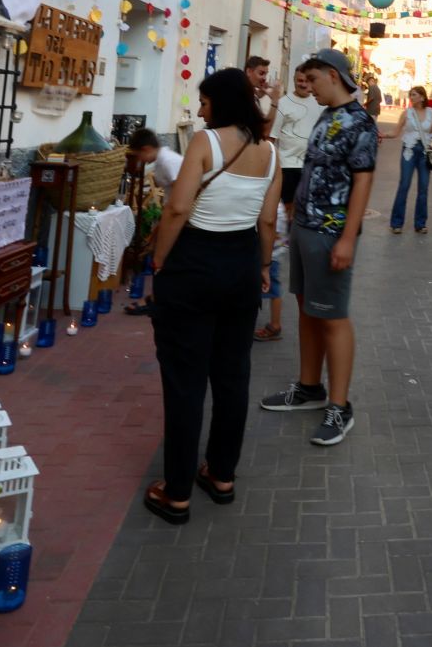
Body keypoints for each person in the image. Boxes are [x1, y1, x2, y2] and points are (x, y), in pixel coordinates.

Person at [143, 68, 280, 524]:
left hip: (195, 266)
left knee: (185, 380)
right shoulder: (270, 152)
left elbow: (178, 208)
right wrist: (263, 266)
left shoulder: (205, 142)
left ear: (220, 101)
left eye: (204, 102)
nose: (200, 111)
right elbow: (267, 221)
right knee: (232, 375)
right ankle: (221, 474)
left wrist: (159, 260)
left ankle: (177, 491)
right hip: (242, 266)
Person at [261, 48, 376, 447]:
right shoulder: (327, 115)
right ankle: (309, 387)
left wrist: (347, 238)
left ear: (333, 75)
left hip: (331, 233)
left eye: (313, 80)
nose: (308, 88)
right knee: (308, 309)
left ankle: (340, 406)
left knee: (333, 316)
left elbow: (362, 182)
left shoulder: (361, 122)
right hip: (305, 228)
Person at [260, 65, 320, 343]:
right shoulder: (284, 103)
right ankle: (285, 242)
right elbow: (272, 137)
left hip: (309, 164)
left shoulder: (318, 103)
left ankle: (293, 242)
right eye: (299, 80)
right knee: (286, 209)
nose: (303, 84)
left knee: (300, 209)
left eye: (307, 80)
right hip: (287, 165)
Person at [123, 128, 183, 317]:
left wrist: (165, 224)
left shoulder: (168, 161)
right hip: (172, 214)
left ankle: (159, 300)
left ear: (146, 149)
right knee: (162, 257)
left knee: (164, 259)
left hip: (180, 216)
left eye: (138, 155)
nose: (139, 160)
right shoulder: (162, 161)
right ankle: (158, 297)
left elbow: (180, 192)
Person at [383, 86, 432, 234]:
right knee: (404, 185)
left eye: (414, 95)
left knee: (423, 188)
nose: (411, 97)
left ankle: (420, 224)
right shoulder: (407, 113)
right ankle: (396, 223)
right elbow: (395, 132)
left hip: (424, 153)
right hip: (409, 151)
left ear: (422, 97)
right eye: (410, 95)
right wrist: (382, 135)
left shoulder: (431, 113)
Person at [246, 54, 275, 135]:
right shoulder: (243, 95)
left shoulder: (250, 92)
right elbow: (264, 129)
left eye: (266, 74)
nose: (265, 78)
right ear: (249, 72)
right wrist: (275, 100)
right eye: (261, 73)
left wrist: (260, 94)